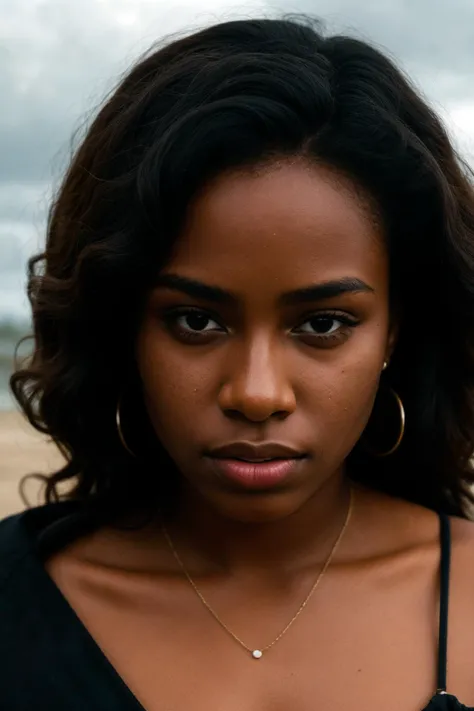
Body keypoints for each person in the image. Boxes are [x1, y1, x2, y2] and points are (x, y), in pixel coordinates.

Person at [1, 14, 474, 711]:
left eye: (322, 324)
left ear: (396, 331)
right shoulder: (17, 603)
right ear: (124, 324)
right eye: (196, 321)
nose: (257, 393)